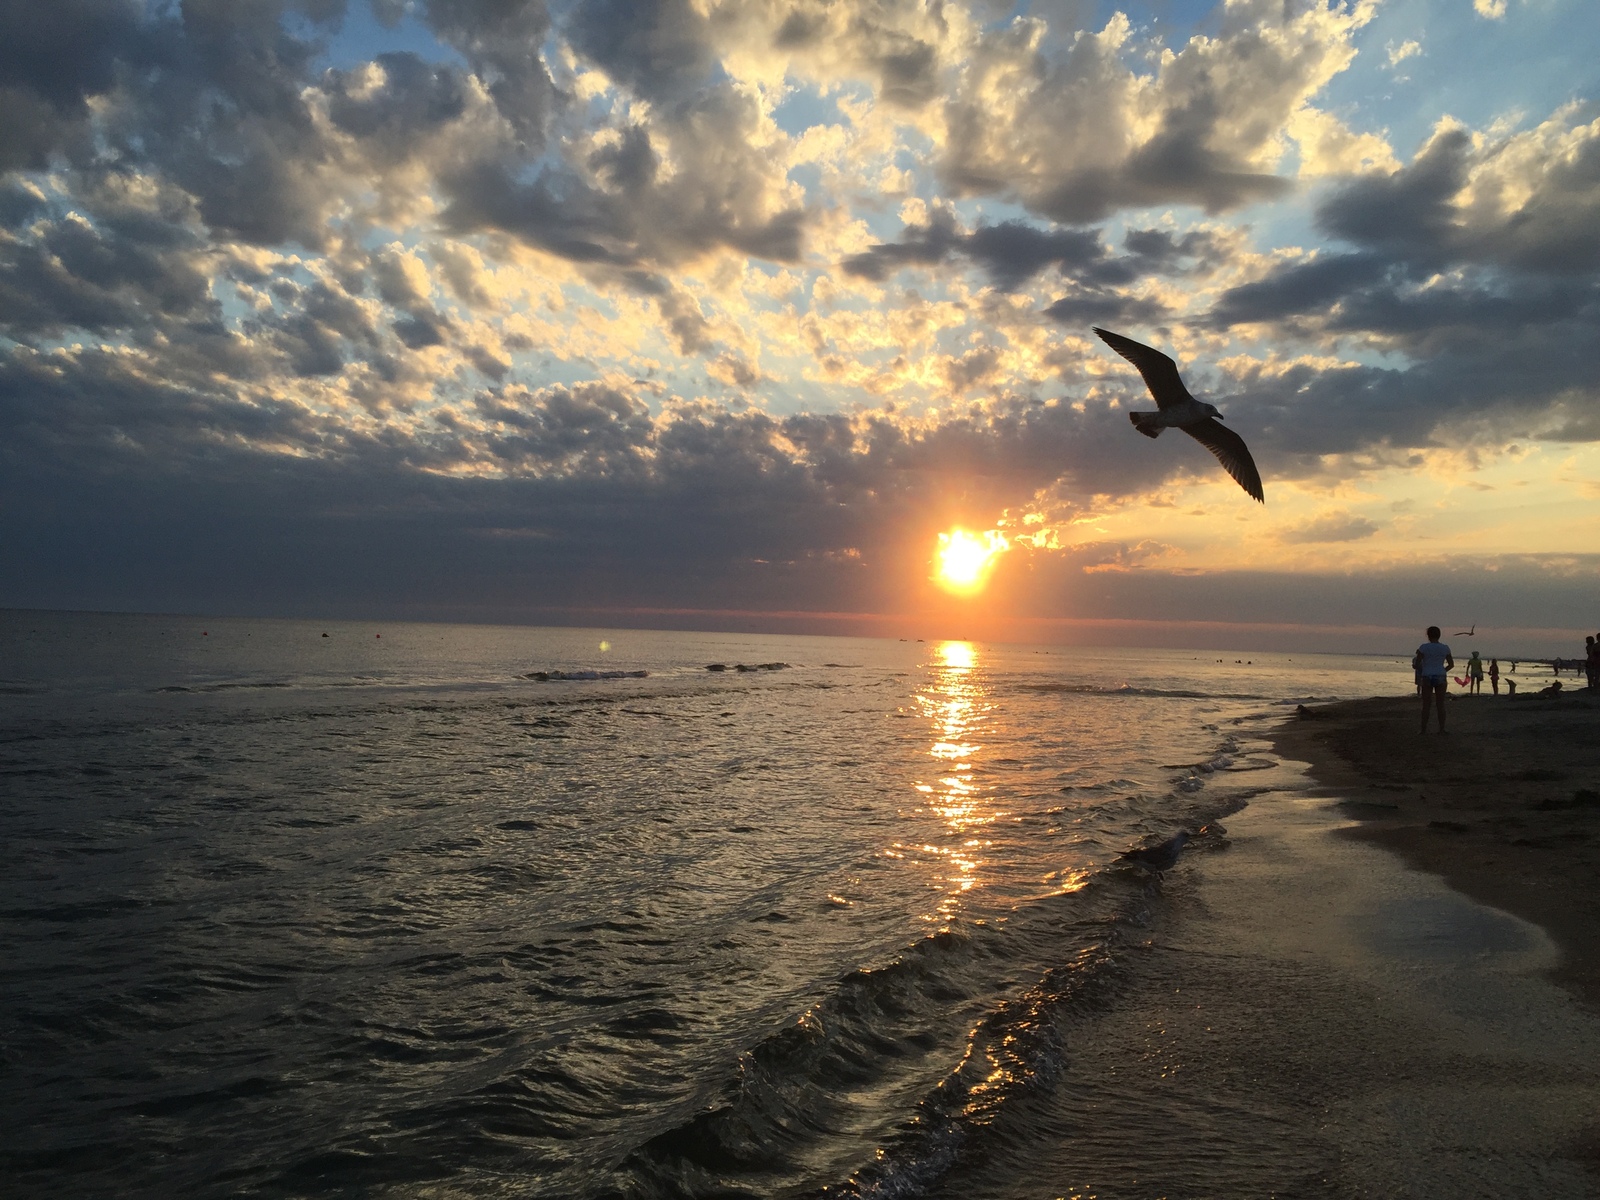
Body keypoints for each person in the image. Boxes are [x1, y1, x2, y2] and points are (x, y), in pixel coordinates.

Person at [1415, 626, 1453, 734]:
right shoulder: (1445, 648)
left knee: (1426, 704)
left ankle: (1423, 730)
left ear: (1428, 635)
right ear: (1439, 635)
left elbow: (1417, 663)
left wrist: (1423, 670)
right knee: (1440, 704)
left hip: (1427, 675)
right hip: (1440, 675)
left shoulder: (1423, 647)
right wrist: (1443, 670)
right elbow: (1451, 664)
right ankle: (1442, 729)